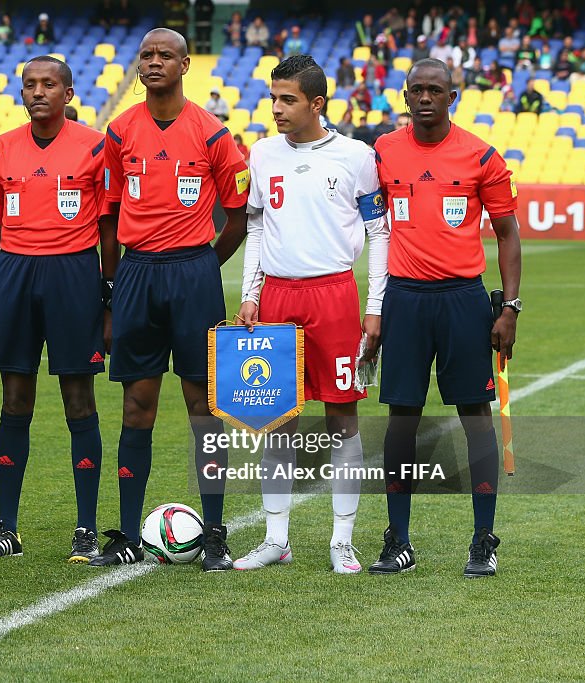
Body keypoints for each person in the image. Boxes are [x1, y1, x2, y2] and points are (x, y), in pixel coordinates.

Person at [90, 28, 249, 572]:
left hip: (192, 274)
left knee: (203, 405)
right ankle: (129, 533)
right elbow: (107, 216)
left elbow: (238, 214)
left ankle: (216, 535)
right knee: (138, 403)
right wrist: (111, 288)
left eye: (164, 55)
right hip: (136, 274)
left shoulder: (212, 133)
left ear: (185, 64)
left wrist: (205, 265)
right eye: (146, 55)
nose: (153, 62)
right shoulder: (119, 131)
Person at [233, 55, 388, 574]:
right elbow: (256, 229)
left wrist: (375, 306)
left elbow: (379, 233)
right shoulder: (262, 154)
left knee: (342, 419)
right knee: (277, 421)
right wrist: (251, 291)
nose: (276, 108)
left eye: (288, 99)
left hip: (334, 297)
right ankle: (277, 539)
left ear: (317, 102)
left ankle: (342, 541)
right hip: (277, 297)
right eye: (273, 97)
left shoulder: (356, 157)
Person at [371, 58, 521, 578]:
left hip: (463, 299)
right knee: (401, 419)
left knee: (475, 416)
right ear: (405, 96)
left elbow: (507, 234)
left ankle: (483, 539)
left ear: (452, 96)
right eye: (417, 90)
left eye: (436, 90)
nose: (426, 98)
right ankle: (399, 540)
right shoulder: (385, 151)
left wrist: (510, 307)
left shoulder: (482, 156)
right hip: (405, 300)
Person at [0, 56, 109, 563]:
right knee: (14, 399)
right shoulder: (1, 149)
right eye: (30, 85)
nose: (38, 92)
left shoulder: (96, 145)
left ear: (68, 92)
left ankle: (86, 528)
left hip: (73, 274)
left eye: (49, 84)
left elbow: (109, 227)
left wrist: (108, 294)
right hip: (13, 274)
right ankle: (7, 527)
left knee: (79, 399)